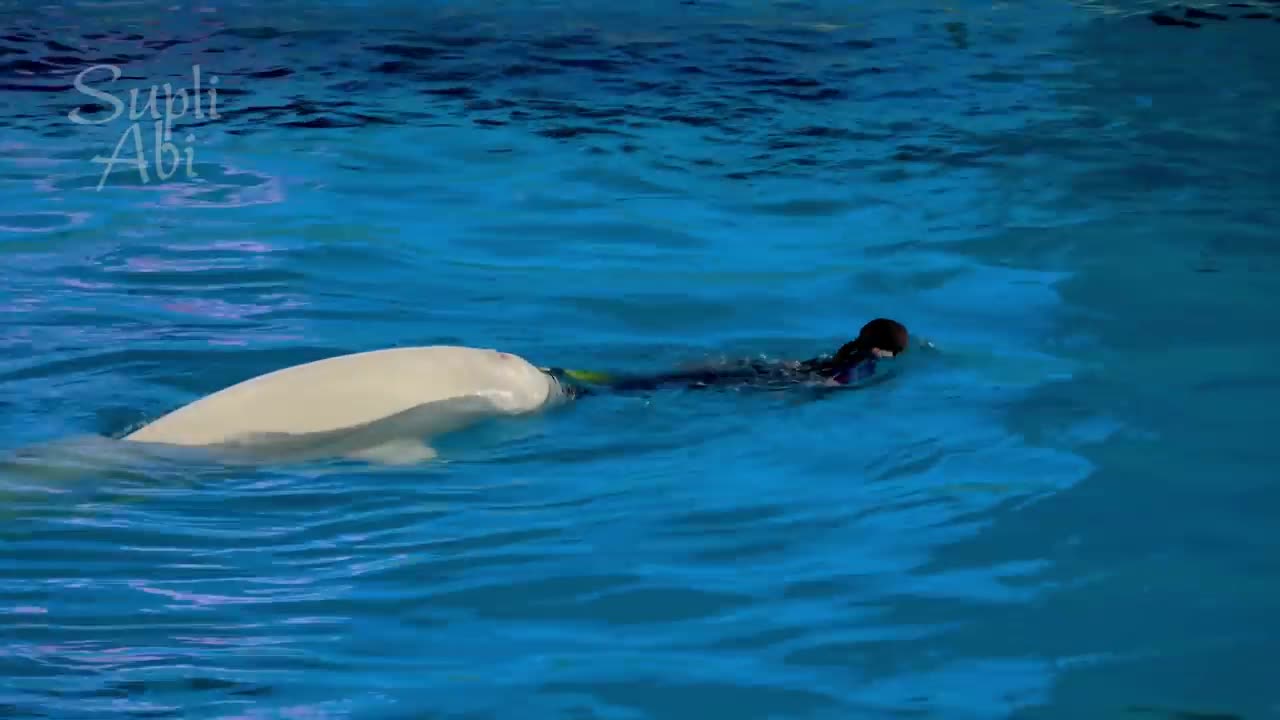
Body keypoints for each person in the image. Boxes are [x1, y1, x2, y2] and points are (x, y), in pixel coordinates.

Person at [543, 318, 909, 396]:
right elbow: (834, 376)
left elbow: (831, 377)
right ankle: (593, 387)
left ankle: (595, 383)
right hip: (784, 375)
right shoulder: (868, 358)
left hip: (783, 375)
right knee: (695, 380)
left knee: (693, 377)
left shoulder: (861, 354)